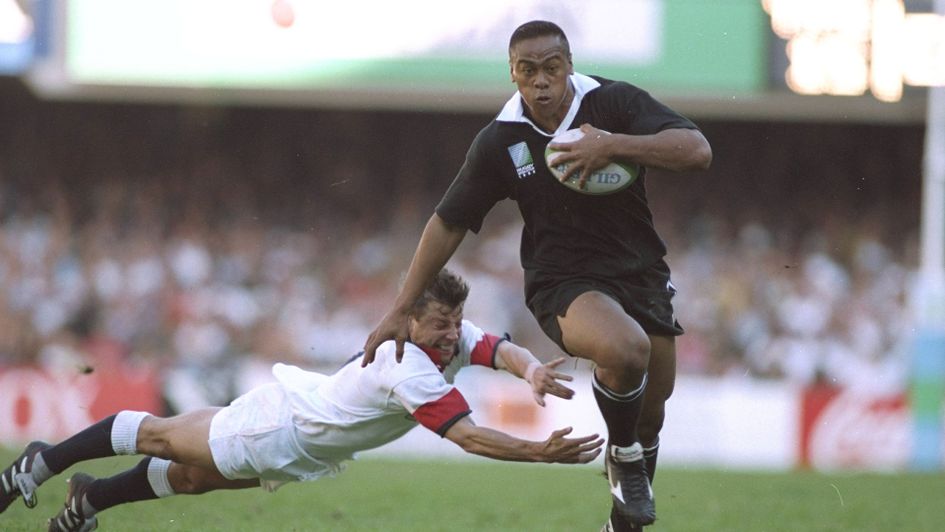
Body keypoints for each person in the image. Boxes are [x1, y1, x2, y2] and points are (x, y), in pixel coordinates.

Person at [362, 20, 712, 532]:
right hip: (563, 280)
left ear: (568, 65)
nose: (541, 81)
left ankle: (622, 520)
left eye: (551, 68)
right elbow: (448, 222)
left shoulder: (611, 103)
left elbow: (697, 150)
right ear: (513, 74)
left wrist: (613, 145)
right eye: (528, 71)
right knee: (625, 350)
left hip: (640, 271)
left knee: (652, 410)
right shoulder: (500, 140)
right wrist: (399, 307)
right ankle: (624, 454)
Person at [1, 269, 603, 531]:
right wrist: (538, 454)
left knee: (189, 478)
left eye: (455, 322)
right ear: (408, 319)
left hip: (307, 446)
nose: (453, 333)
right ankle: (42, 463)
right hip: (280, 427)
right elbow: (467, 435)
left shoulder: (441, 337)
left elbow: (497, 347)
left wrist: (529, 371)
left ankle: (89, 499)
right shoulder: (405, 362)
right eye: (441, 323)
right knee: (161, 436)